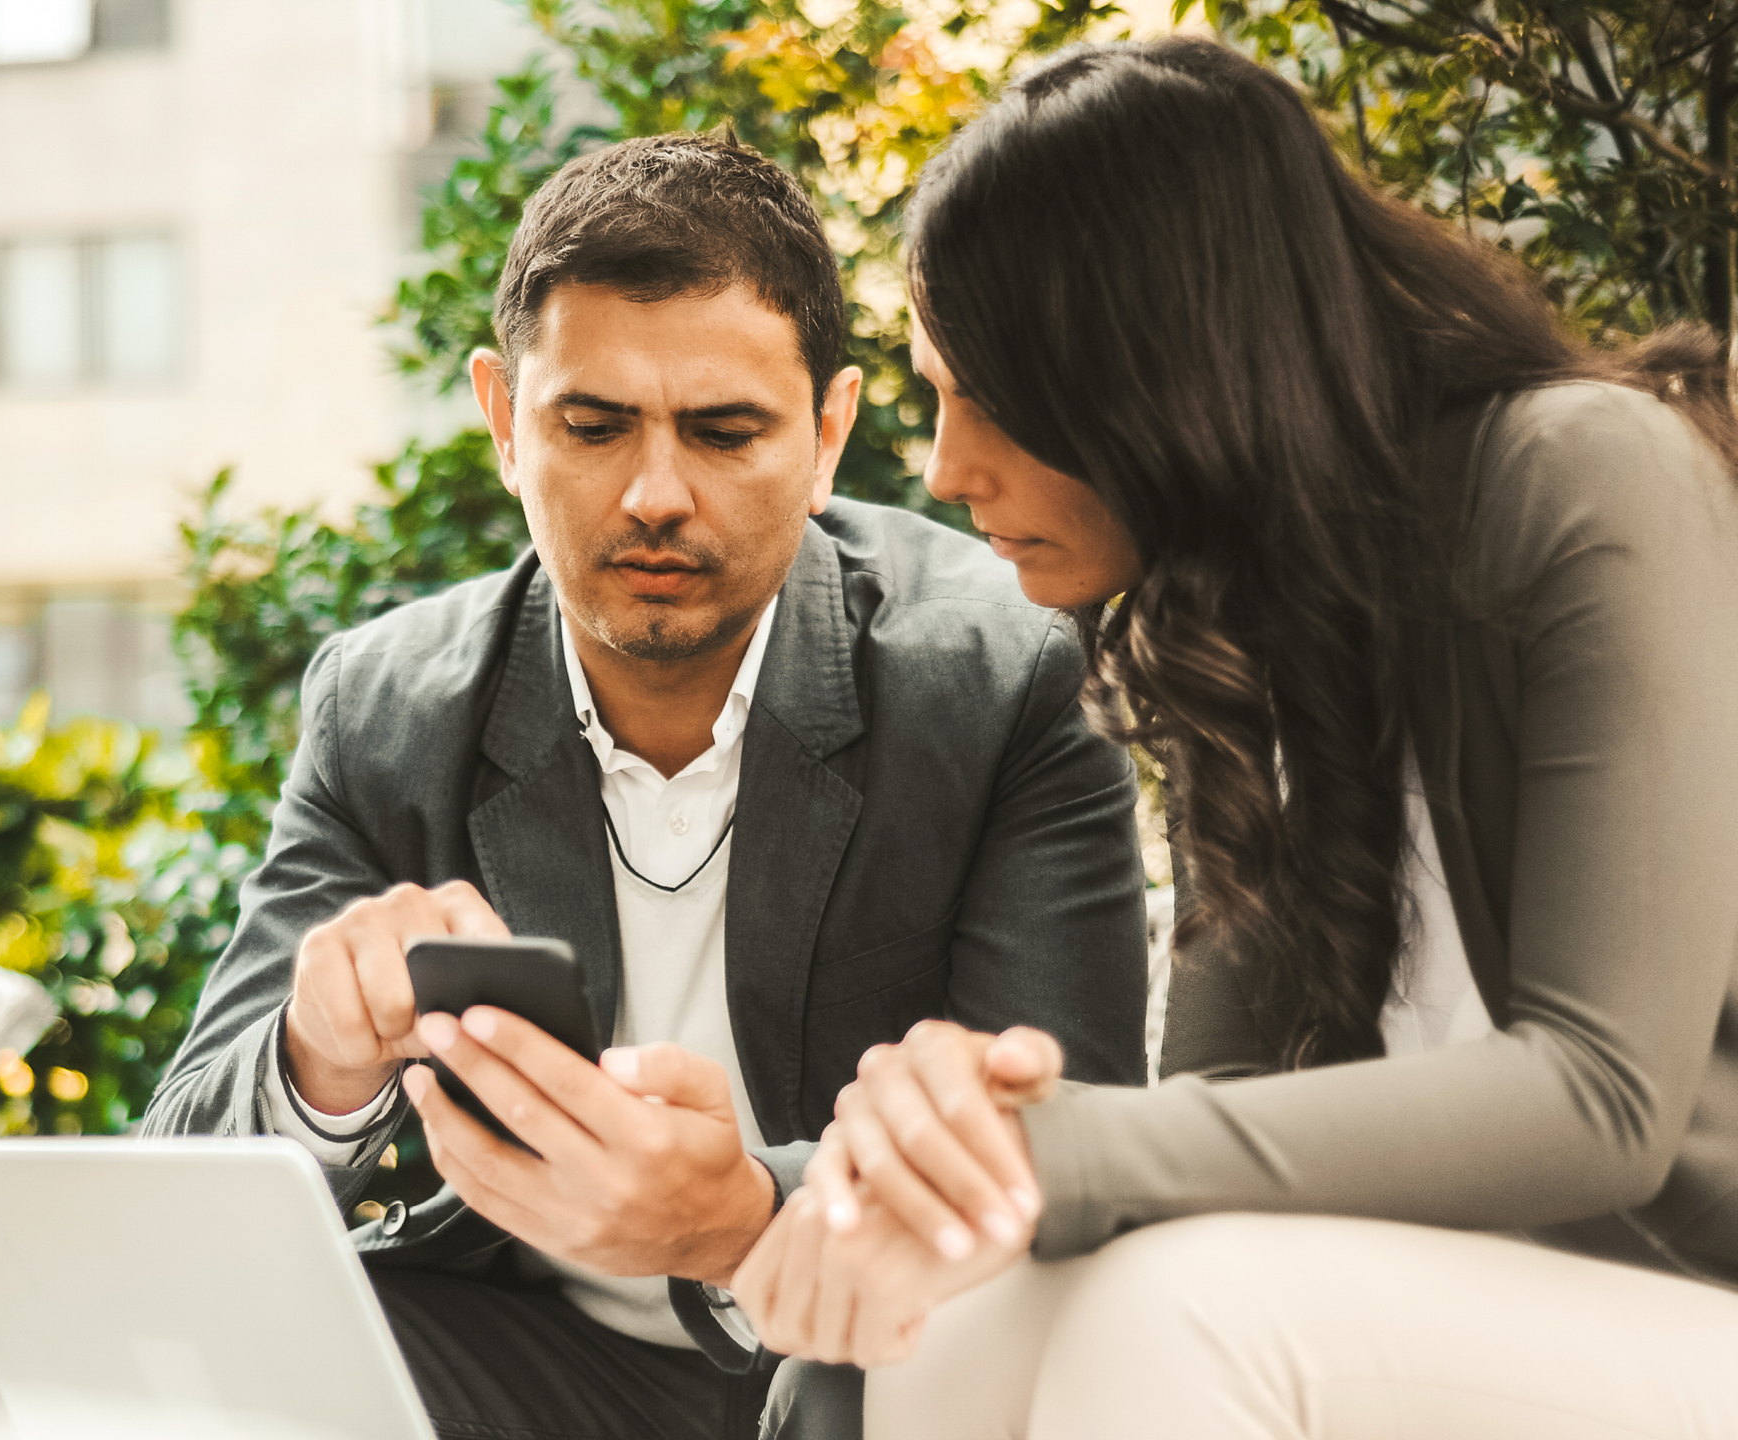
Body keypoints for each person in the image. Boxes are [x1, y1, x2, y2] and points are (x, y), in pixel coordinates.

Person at [723, 35, 1738, 1438]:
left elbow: (1603, 1096)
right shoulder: (1239, 626)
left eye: (990, 397)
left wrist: (1052, 1150)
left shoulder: (1583, 476)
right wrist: (943, 1161)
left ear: (1158, 366)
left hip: (1691, 1285)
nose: (949, 469)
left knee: (1175, 1316)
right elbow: (1215, 1119)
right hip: (1447, 1296)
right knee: (946, 1335)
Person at [135, 131, 1152, 1440]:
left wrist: (744, 1220)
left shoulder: (1004, 677)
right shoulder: (386, 709)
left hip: (860, 1346)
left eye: (725, 432)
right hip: (516, 1360)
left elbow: (1071, 1152)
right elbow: (178, 1173)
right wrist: (320, 1058)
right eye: (593, 426)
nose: (656, 495)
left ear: (830, 432)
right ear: (505, 420)